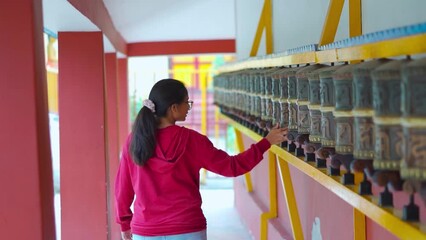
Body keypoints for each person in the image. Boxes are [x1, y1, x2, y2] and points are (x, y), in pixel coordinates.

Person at [115, 79, 288, 240]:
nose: (189, 107)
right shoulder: (192, 140)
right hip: (187, 228)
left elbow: (123, 187)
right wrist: (266, 142)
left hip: (145, 231)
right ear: (173, 108)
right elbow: (232, 167)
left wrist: (124, 222)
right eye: (186, 102)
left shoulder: (134, 140)